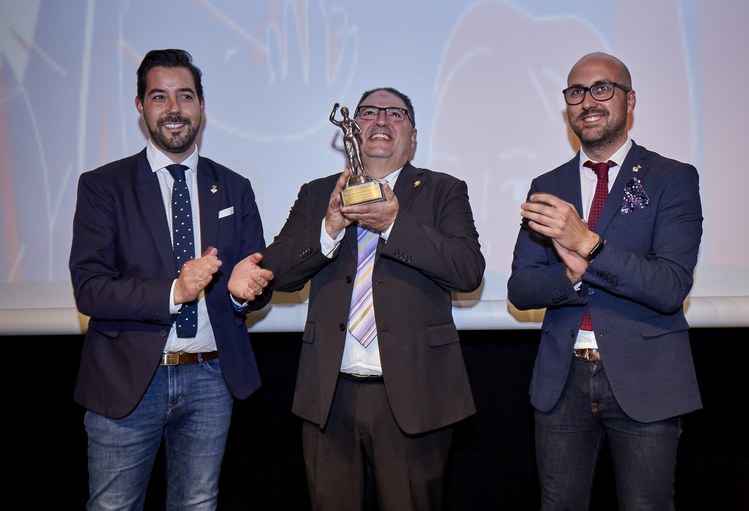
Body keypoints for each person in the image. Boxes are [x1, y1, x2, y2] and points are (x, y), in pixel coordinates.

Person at [257, 87, 485, 510]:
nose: (381, 121)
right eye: (368, 112)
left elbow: (468, 271)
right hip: (328, 397)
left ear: (412, 136)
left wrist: (395, 223)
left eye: (395, 114)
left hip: (414, 397)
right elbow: (274, 274)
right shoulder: (317, 193)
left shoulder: (443, 190)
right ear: (352, 130)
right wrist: (328, 227)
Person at [69, 48, 273, 510]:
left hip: (211, 378)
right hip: (127, 381)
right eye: (159, 97)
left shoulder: (234, 186)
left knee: (198, 504)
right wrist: (174, 292)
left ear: (201, 105)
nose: (174, 108)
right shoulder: (103, 186)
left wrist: (245, 293)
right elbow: (90, 288)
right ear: (140, 107)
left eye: (185, 96)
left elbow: (254, 281)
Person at [507, 51, 703, 509]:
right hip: (562, 381)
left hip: (647, 379)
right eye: (576, 92)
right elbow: (521, 290)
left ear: (629, 100)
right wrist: (572, 277)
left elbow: (671, 286)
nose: (587, 101)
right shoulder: (547, 184)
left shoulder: (671, 178)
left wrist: (589, 246)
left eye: (601, 88)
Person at [330, 102, 365, 176]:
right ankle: (354, 174)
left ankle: (363, 171)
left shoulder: (352, 122)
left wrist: (355, 134)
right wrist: (334, 109)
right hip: (346, 140)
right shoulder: (341, 123)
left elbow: (360, 130)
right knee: (350, 156)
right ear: (342, 113)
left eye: (346, 111)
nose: (345, 112)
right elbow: (332, 119)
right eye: (343, 112)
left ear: (348, 112)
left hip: (352, 137)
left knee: (358, 154)